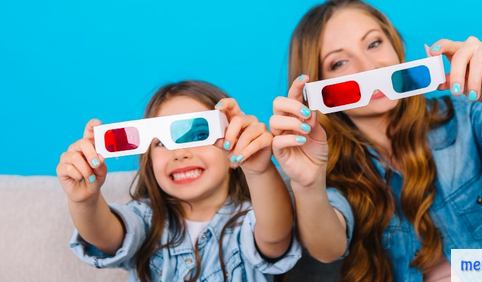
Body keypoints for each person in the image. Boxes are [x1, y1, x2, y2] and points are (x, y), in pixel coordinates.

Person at [269, 1, 482, 281]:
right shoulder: (322, 162)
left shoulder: (460, 115)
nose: (368, 67)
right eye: (339, 63)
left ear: (395, 47)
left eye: (374, 43)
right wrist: (308, 184)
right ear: (319, 88)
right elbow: (327, 248)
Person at [57, 80, 300, 281]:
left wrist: (259, 169)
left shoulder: (250, 221)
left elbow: (275, 237)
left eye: (197, 134)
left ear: (232, 147)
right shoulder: (147, 220)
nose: (180, 153)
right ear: (149, 163)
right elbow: (105, 235)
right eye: (161, 143)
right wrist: (85, 200)